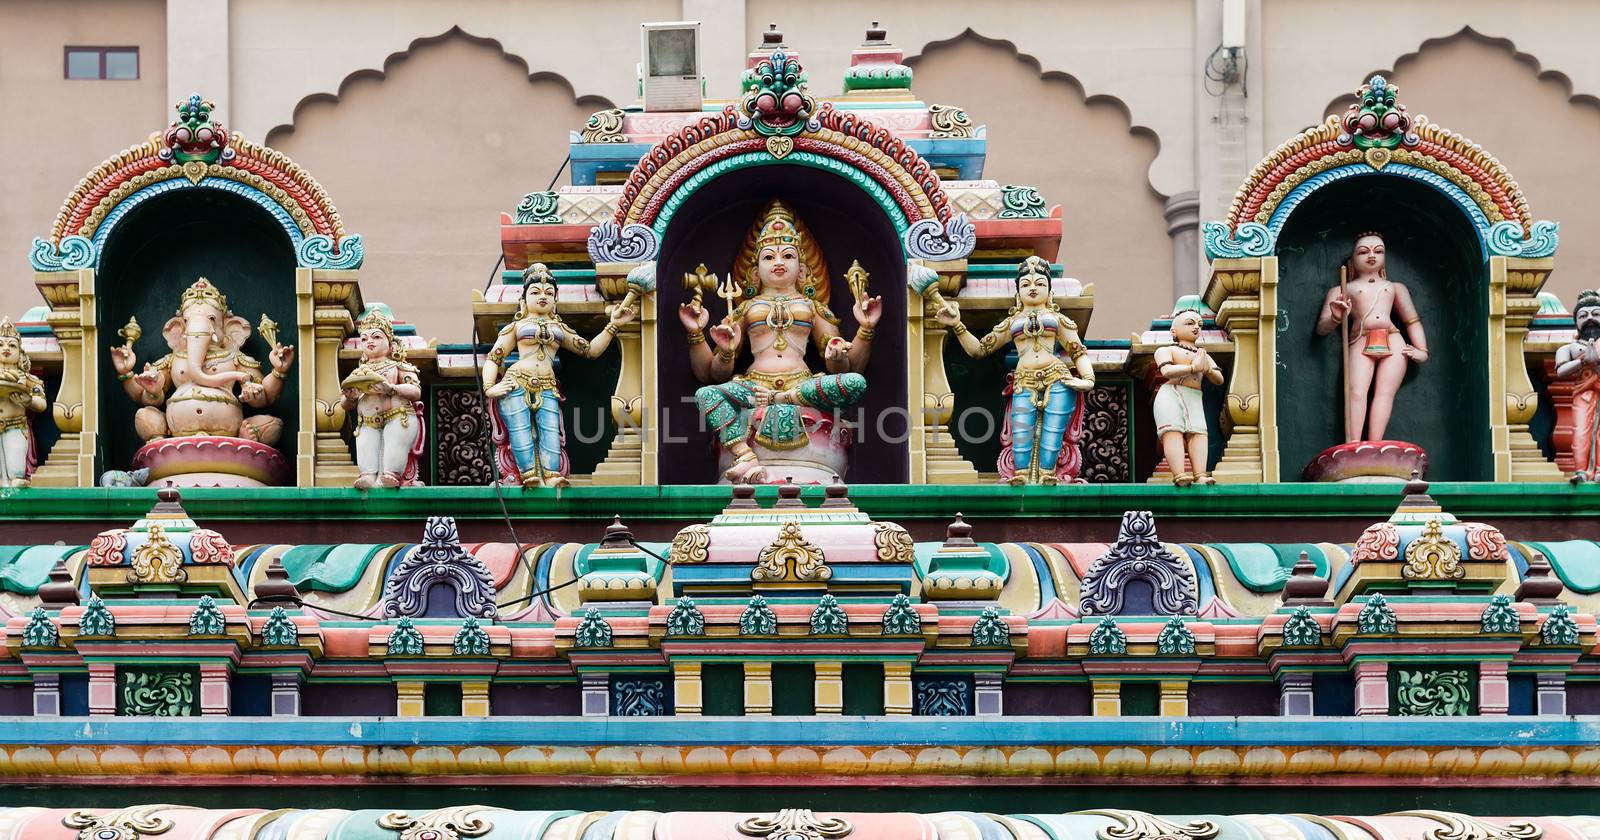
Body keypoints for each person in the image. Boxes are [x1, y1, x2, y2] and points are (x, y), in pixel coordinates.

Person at [683, 200, 878, 483]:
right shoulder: (745, 309)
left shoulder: (812, 307)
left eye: (787, 256)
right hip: (754, 386)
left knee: (855, 385)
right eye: (768, 257)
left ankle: (782, 399)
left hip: (801, 387)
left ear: (802, 269)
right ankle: (744, 454)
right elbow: (711, 374)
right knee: (706, 395)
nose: (778, 263)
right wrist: (704, 339)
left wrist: (862, 331)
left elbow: (847, 370)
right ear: (754, 270)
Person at [935, 255, 1095, 485]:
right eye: (1026, 284)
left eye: (1039, 283)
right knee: (1021, 435)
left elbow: (1078, 352)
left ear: (1050, 292)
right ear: (1017, 293)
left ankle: (1049, 475)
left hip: (1058, 378)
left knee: (1052, 434)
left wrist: (1088, 378)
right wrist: (957, 325)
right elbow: (979, 350)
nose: (1032, 288)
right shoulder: (1011, 323)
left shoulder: (1059, 320)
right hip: (1023, 381)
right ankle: (1020, 475)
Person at [483, 264, 635, 488]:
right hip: (516, 382)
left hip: (547, 385)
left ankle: (552, 475)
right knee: (521, 434)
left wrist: (613, 325)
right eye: (535, 292)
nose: (543, 297)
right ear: (524, 300)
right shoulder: (516, 327)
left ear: (555, 301)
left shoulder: (560, 328)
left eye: (549, 293)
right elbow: (494, 358)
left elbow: (590, 350)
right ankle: (528, 475)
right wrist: (489, 387)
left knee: (551, 434)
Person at [1315, 232, 1428, 442]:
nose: (1371, 256)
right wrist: (1336, 318)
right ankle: (1354, 444)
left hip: (1393, 339)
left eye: (1378, 251)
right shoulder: (1341, 290)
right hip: (1361, 338)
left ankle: (1375, 444)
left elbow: (1412, 321)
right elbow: (1322, 328)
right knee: (1356, 392)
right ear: (1353, 260)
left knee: (1384, 394)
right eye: (1363, 251)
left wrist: (1421, 350)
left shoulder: (1395, 288)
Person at [1153, 310, 1224, 486]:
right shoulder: (1166, 350)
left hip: (1194, 396)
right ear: (1173, 331)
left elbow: (1219, 379)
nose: (1196, 328)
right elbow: (1166, 370)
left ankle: (1200, 474)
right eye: (1190, 323)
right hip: (1171, 393)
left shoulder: (1202, 354)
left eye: (1199, 325)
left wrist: (1206, 368)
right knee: (1172, 432)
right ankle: (1179, 474)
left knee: (1199, 433)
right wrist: (1193, 368)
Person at [1557, 289, 1600, 482]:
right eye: (1583, 315)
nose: (1590, 319)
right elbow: (1560, 371)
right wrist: (1583, 361)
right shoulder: (1568, 348)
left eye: (1596, 314)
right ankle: (1582, 471)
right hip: (1582, 394)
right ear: (1576, 322)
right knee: (1580, 431)